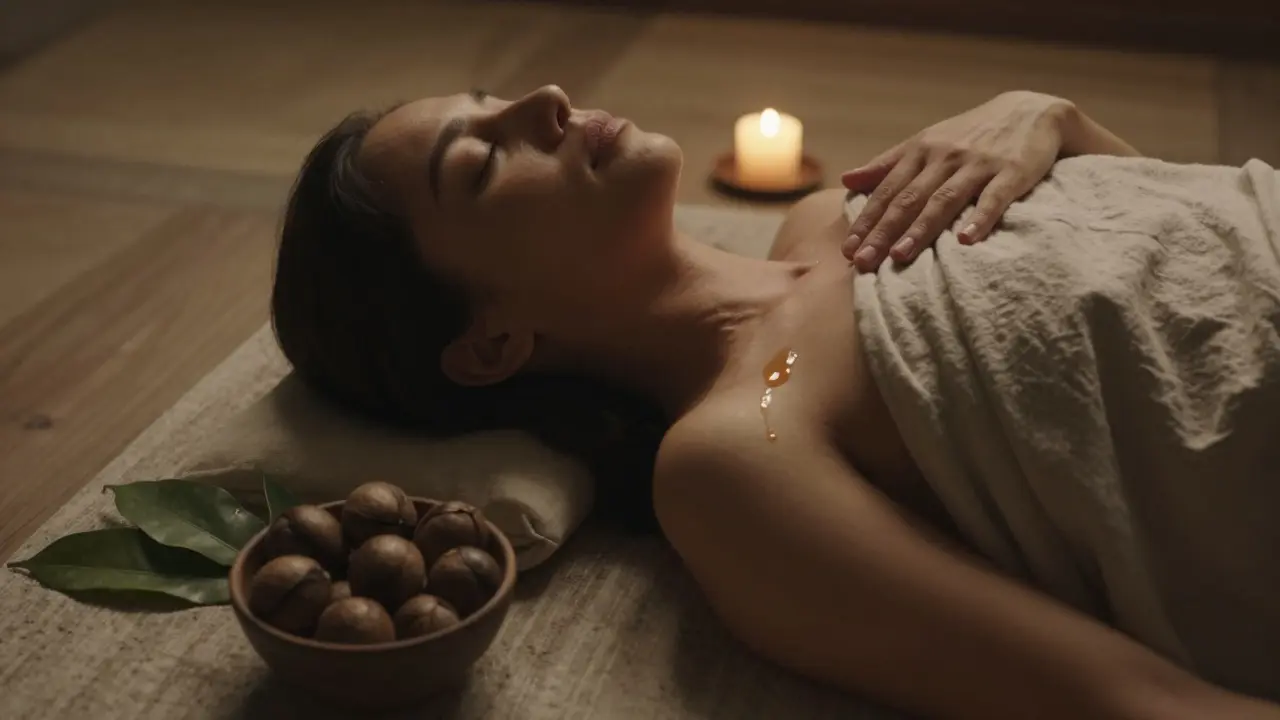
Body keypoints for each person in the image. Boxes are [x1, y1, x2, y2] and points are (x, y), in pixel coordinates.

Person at [270, 85, 1280, 719]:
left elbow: (1175, 229)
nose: (541, 98)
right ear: (491, 342)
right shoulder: (734, 459)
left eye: (492, 97)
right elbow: (1131, 700)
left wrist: (1052, 117)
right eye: (483, 159)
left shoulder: (835, 209)